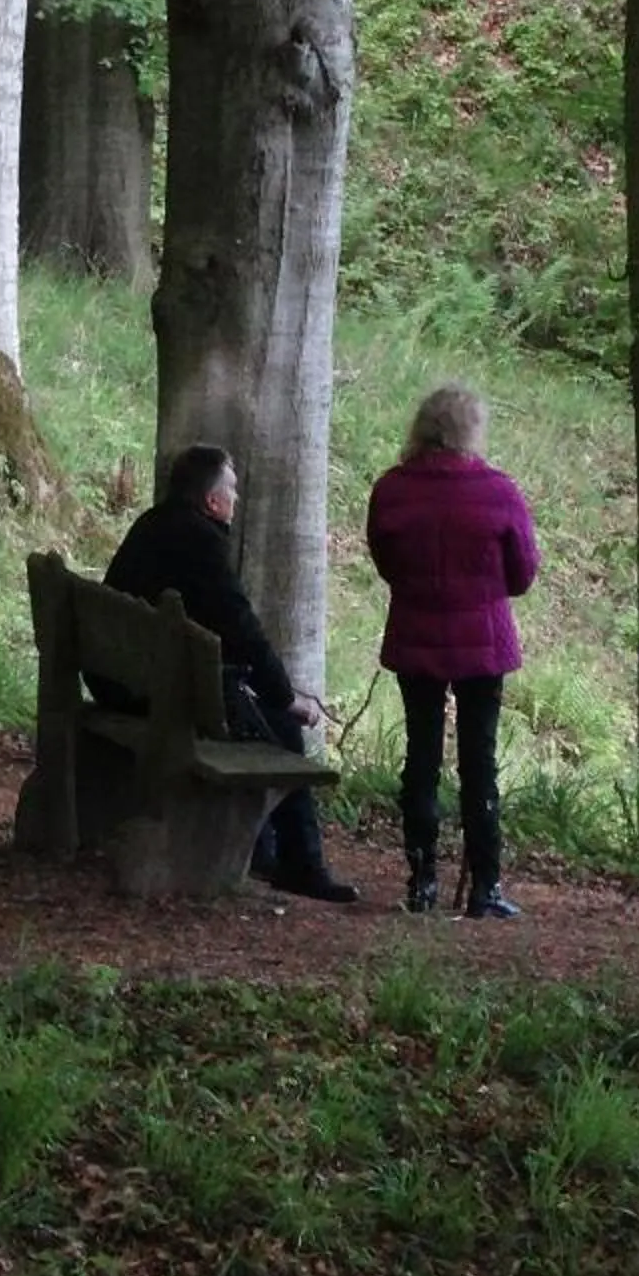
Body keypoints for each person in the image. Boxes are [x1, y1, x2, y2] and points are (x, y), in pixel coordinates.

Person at [101, 442, 359, 904]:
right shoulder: (202, 542)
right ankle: (301, 864)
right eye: (233, 491)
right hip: (156, 694)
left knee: (251, 711)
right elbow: (242, 630)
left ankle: (264, 851)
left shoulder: (152, 525)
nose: (237, 500)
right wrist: (287, 698)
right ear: (212, 501)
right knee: (281, 731)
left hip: (116, 680)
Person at [366, 385, 538, 919]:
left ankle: (422, 882)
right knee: (478, 761)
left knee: (421, 759)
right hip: (482, 644)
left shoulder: (393, 490)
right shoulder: (498, 491)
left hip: (416, 635)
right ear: (471, 430)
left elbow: (386, 560)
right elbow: (523, 571)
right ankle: (485, 885)